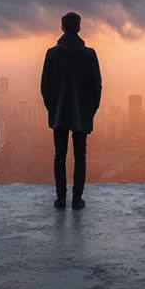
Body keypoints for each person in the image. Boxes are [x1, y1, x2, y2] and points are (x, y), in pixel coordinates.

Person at [40, 11, 102, 210]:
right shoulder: (89, 54)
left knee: (59, 155)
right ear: (79, 28)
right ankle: (77, 199)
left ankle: (60, 199)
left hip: (58, 113)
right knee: (80, 156)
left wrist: (53, 108)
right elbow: (97, 86)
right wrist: (89, 111)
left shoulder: (52, 54)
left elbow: (45, 87)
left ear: (62, 28)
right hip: (81, 114)